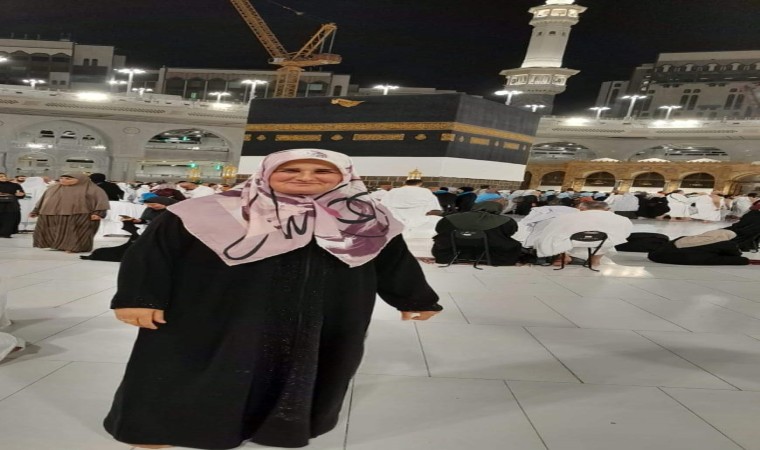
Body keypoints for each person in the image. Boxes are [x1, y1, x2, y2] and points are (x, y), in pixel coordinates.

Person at [103, 149, 442, 450]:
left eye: (322, 171)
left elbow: (393, 261)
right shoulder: (205, 210)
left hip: (324, 315)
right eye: (290, 169)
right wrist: (139, 298)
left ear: (345, 176)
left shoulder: (367, 217)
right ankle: (160, 426)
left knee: (304, 369)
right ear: (266, 172)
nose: (305, 177)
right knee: (191, 366)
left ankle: (279, 428)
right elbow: (153, 255)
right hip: (214, 312)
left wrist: (415, 299)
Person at [534, 201, 633, 267]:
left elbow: (552, 231)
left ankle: (564, 256)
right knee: (610, 239)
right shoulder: (621, 219)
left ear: (581, 208)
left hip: (573, 241)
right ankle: (595, 260)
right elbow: (624, 234)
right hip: (601, 241)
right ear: (607, 209)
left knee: (552, 238)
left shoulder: (568, 217)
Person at [30, 173, 110, 253]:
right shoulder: (53, 188)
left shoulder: (92, 189)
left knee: (77, 232)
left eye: (68, 179)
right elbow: (43, 200)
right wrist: (35, 211)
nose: (63, 180)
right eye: (62, 178)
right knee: (54, 231)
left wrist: (98, 213)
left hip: (80, 215)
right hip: (52, 214)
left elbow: (100, 201)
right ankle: (59, 245)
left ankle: (76, 247)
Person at [432, 200, 521, 266]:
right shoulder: (506, 220)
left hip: (455, 246)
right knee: (514, 244)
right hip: (492, 247)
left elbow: (439, 229)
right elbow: (510, 232)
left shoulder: (451, 218)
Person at [648, 230, 749, 266]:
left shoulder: (684, 237)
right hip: (685, 257)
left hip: (656, 256)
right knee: (743, 260)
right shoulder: (726, 243)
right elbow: (737, 254)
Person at [0, 173, 25, 238]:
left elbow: (21, 194)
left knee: (10, 221)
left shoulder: (14, 185)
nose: (3, 177)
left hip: (11, 206)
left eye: (4, 176)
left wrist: (21, 194)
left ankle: (6, 233)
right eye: (1, 176)